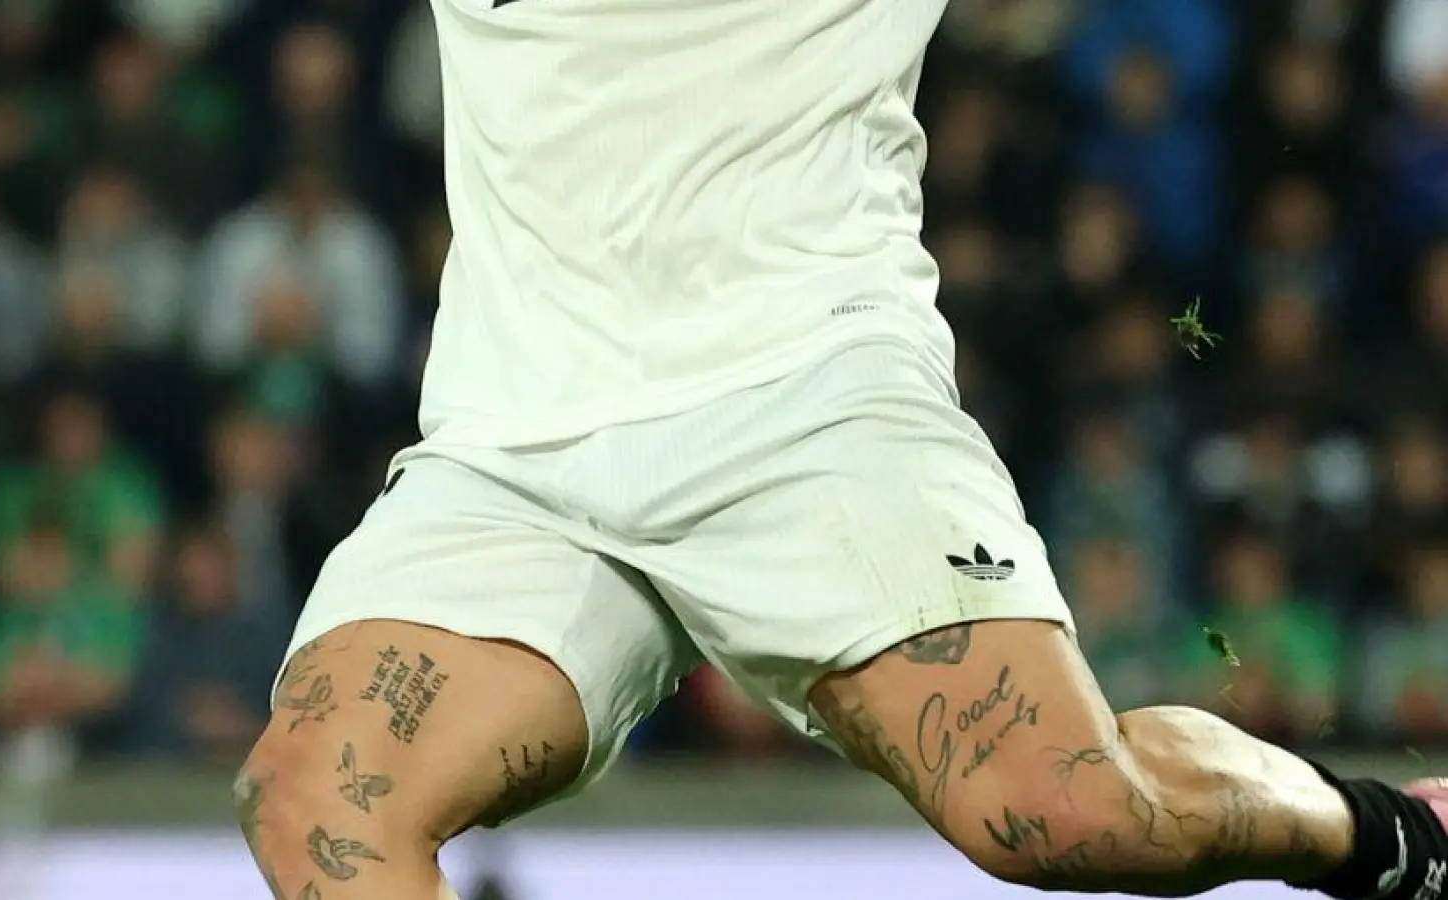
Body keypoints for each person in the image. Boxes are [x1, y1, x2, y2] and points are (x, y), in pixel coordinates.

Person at [235, 2, 1448, 899]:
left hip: (810, 397)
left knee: (1065, 811)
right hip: (515, 437)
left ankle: (1387, 833)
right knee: (319, 800)